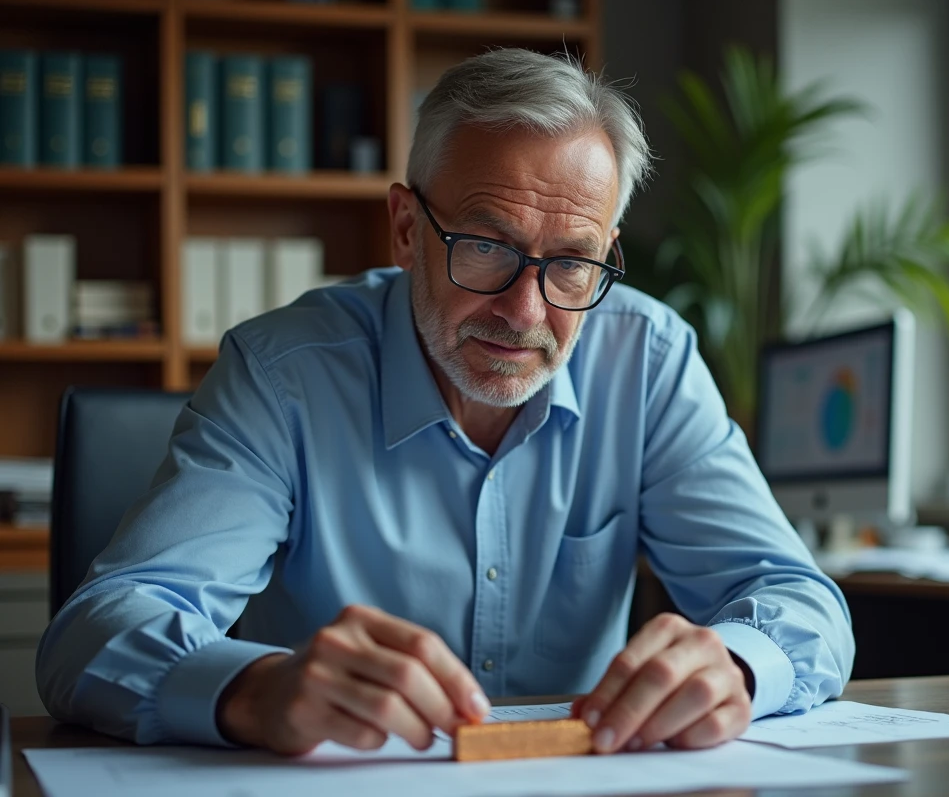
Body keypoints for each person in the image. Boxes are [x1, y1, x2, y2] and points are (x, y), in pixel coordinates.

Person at [37, 48, 853, 756]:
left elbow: (801, 603)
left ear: (606, 253)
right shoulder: (285, 375)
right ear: (405, 228)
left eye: (573, 263)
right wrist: (257, 689)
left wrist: (735, 665)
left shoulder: (649, 361)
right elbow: (93, 634)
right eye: (487, 245)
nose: (526, 313)